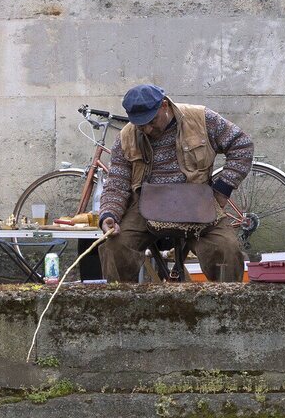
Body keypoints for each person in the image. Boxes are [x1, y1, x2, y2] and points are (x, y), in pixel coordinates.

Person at [95, 85, 253, 283]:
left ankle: (226, 308)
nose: (148, 129)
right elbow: (117, 183)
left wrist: (223, 189)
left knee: (226, 249)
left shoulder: (201, 119)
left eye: (151, 121)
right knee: (114, 247)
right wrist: (109, 214)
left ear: (164, 105)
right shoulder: (126, 137)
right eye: (140, 125)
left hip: (196, 201)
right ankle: (121, 307)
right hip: (146, 204)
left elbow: (242, 145)